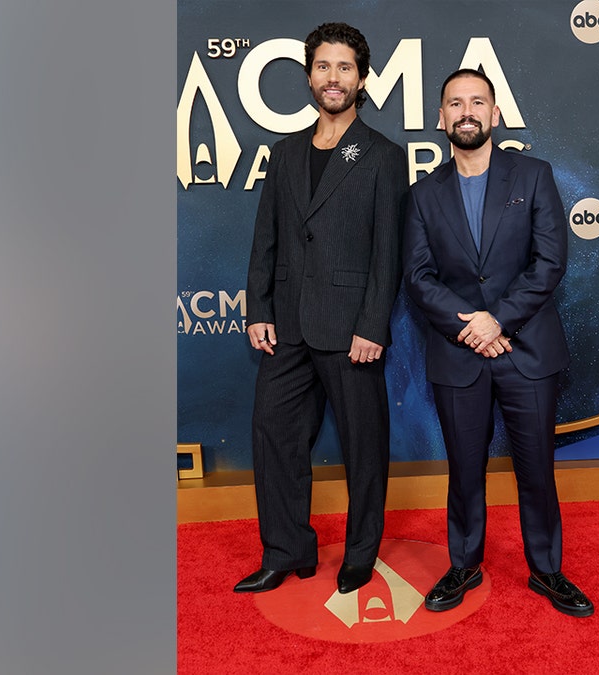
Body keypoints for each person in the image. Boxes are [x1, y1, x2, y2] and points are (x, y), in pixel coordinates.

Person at [401, 69, 594, 617]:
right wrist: (473, 328)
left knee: (536, 470)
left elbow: (549, 261)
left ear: (495, 113)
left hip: (526, 350)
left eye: (477, 102)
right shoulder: (421, 195)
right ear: (440, 117)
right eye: (455, 103)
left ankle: (548, 570)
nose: (466, 112)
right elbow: (418, 276)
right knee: (464, 471)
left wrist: (499, 322)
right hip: (458, 353)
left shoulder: (534, 175)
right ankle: (463, 564)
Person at [234, 22, 407, 596]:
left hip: (351, 329)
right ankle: (285, 552)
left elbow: (388, 253)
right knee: (274, 436)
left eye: (345, 68)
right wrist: (258, 307)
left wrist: (372, 325)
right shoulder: (284, 153)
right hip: (286, 326)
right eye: (323, 67)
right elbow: (266, 238)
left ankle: (360, 553)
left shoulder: (383, 156)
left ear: (362, 79)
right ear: (309, 77)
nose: (333, 78)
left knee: (364, 449)